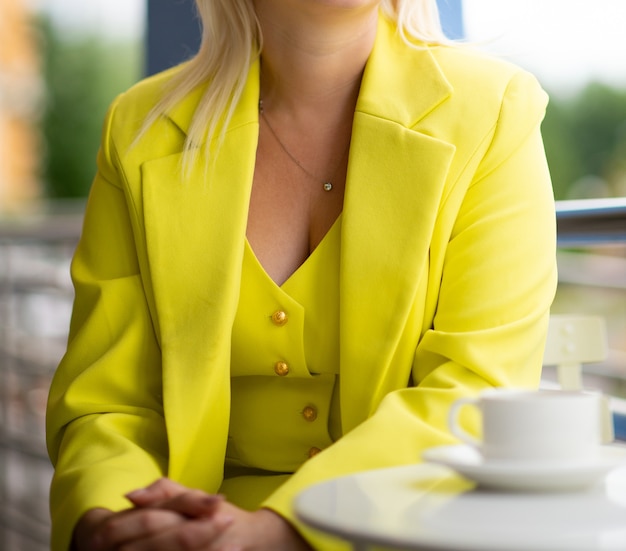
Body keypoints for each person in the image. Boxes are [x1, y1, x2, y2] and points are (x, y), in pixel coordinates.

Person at [46, 0, 558, 549]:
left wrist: (279, 531)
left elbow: (476, 392)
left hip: (405, 530)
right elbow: (107, 399)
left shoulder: (496, 110)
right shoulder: (138, 127)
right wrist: (116, 523)